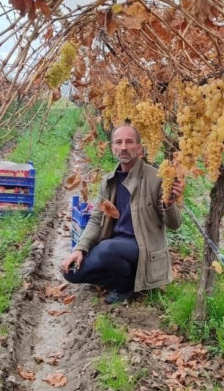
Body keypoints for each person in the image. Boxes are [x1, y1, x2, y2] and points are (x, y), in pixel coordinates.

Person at [60, 124, 183, 304]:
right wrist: (80, 249)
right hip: (115, 245)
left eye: (129, 142)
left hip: (142, 247)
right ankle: (134, 278)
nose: (124, 147)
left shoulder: (156, 178)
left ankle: (125, 287)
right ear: (113, 148)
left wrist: (169, 203)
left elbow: (175, 224)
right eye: (118, 142)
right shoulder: (109, 181)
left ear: (139, 148)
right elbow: (96, 219)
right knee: (70, 272)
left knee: (107, 249)